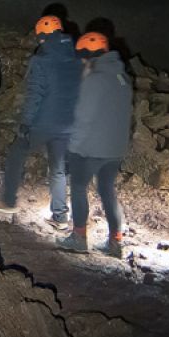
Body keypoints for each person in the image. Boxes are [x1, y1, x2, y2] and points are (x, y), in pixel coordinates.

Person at [0, 15, 81, 227]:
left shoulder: (42, 59)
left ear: (41, 36)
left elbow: (35, 94)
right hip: (70, 123)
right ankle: (60, 216)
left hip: (45, 121)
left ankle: (9, 200)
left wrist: (26, 123)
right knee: (57, 168)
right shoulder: (77, 55)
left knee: (16, 153)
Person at [61, 31, 134, 257]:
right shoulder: (122, 77)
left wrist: (72, 146)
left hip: (90, 148)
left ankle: (79, 236)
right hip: (115, 148)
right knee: (107, 191)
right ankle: (115, 242)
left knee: (79, 187)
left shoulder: (94, 79)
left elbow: (83, 117)